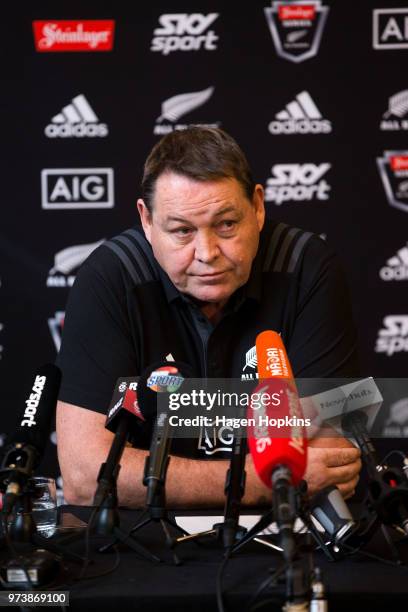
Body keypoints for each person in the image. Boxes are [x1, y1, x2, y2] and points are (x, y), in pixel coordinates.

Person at [56, 126, 361, 508]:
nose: (207, 252)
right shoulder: (111, 277)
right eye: (182, 230)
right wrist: (256, 480)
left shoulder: (306, 266)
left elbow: (331, 457)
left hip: (281, 535)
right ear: (147, 221)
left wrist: (161, 476)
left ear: (258, 207)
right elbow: (84, 476)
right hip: (146, 545)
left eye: (226, 224)